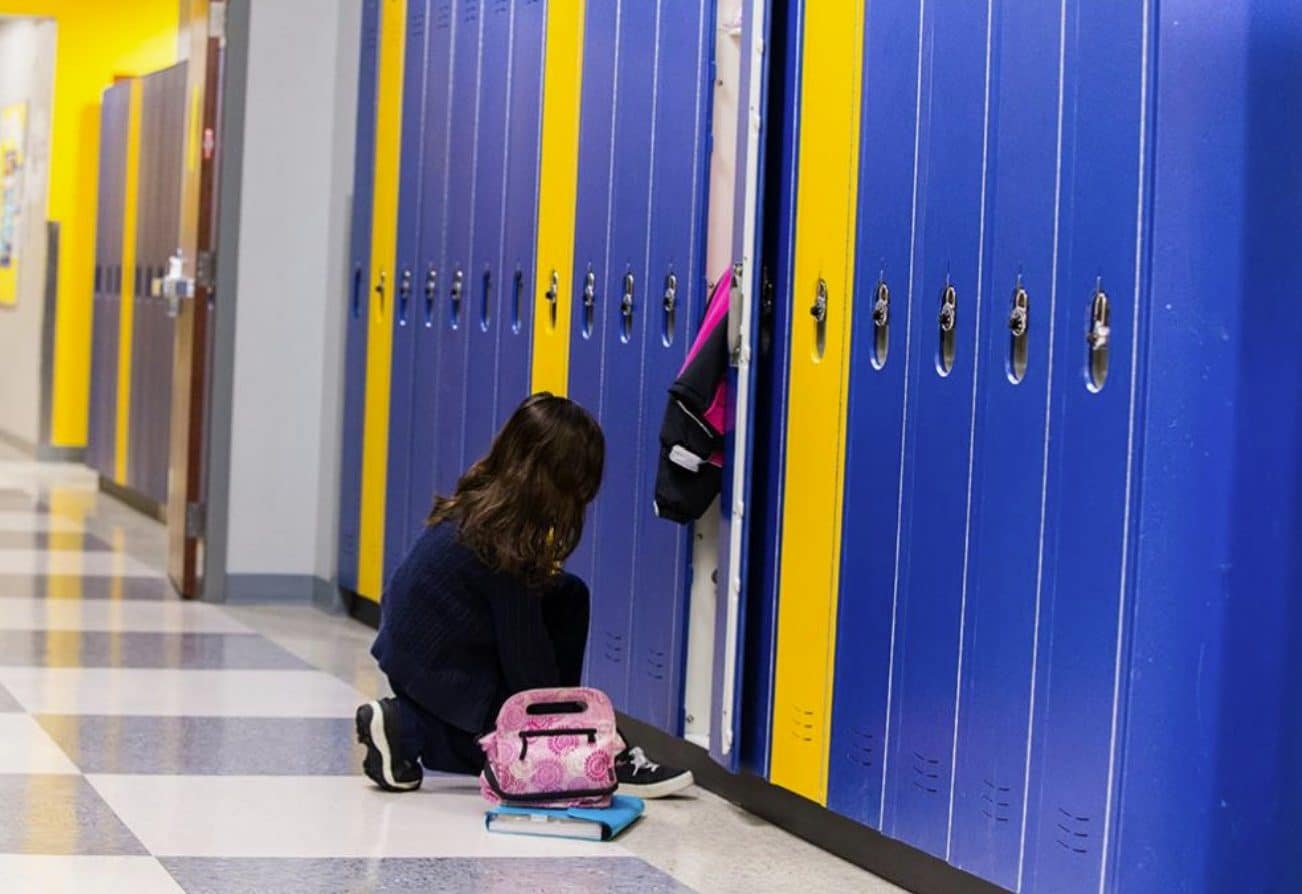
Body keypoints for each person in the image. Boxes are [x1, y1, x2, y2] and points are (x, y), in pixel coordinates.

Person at [355, 393, 694, 799]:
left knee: (568, 595)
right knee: (496, 751)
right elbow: (528, 671)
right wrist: (594, 737)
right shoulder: (499, 548)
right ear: (553, 481)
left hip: (424, 657)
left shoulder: (484, 512)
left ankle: (552, 741)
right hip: (434, 671)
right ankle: (409, 727)